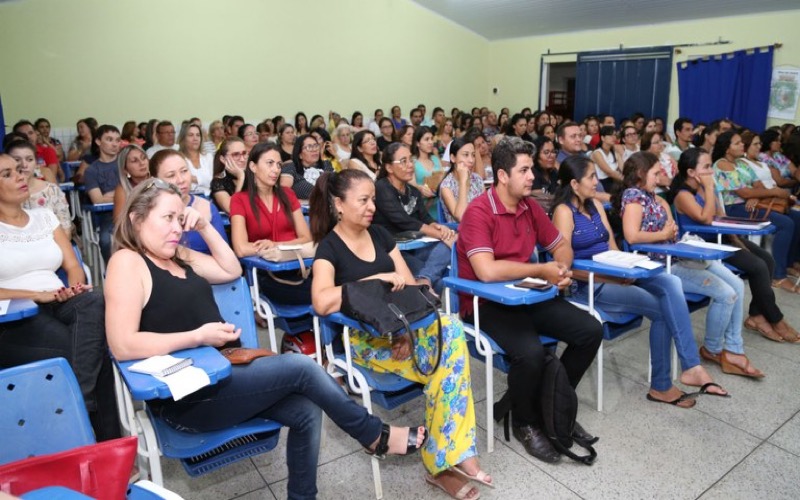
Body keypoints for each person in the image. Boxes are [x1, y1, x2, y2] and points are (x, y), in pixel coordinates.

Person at [104, 177, 426, 500]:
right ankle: (374, 435)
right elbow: (123, 344)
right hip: (188, 394)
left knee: (305, 409)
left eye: (180, 217)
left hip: (224, 376)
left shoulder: (178, 255)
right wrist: (198, 336)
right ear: (136, 219)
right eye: (168, 218)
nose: (177, 227)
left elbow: (231, 269)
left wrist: (203, 225)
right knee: (302, 367)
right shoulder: (127, 262)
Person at [309, 169, 488, 500]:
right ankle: (447, 460)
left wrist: (404, 333)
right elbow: (321, 301)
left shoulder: (379, 234)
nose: (371, 207)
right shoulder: (329, 248)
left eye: (373, 199)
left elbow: (407, 287)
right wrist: (374, 280)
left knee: (448, 331)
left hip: (400, 331)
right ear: (339, 204)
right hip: (360, 342)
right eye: (363, 200)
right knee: (444, 363)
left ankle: (448, 458)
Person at [457, 137, 602, 463]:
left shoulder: (529, 207)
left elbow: (560, 245)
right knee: (531, 353)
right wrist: (541, 267)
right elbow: (486, 271)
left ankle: (552, 401)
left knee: (590, 331)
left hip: (526, 295)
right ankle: (524, 420)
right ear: (502, 175)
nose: (532, 176)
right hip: (485, 304)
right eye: (523, 170)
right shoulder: (479, 212)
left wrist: (561, 266)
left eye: (531, 168)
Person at [553, 154, 728, 408]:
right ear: (574, 184)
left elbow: (612, 248)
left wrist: (626, 269)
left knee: (669, 283)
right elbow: (565, 265)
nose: (596, 182)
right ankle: (661, 385)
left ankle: (691, 366)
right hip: (591, 285)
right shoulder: (564, 212)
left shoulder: (596, 206)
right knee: (661, 310)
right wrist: (613, 277)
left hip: (615, 275)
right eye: (591, 177)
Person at [0, 153, 119, 441]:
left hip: (59, 301)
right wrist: (35, 295)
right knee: (89, 350)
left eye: (19, 170)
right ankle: (106, 442)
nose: (20, 175)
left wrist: (74, 287)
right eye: (7, 174)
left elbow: (74, 267)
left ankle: (77, 407)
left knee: (93, 300)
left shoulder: (45, 218)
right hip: (15, 316)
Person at [618, 151, 759, 383]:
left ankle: (734, 348)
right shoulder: (634, 197)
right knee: (727, 294)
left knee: (735, 285)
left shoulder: (652, 196)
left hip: (675, 255)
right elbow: (632, 236)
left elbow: (669, 224)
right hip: (661, 264)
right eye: (656, 173)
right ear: (641, 175)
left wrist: (667, 231)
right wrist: (664, 233)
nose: (661, 176)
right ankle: (714, 348)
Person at [671, 148, 800, 343]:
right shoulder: (683, 195)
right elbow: (706, 219)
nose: (711, 172)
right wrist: (707, 188)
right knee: (757, 266)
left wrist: (736, 238)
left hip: (721, 237)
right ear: (691, 172)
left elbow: (720, 216)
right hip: (703, 245)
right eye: (706, 167)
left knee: (767, 260)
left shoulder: (707, 187)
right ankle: (776, 318)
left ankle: (756, 315)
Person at [712, 131, 800, 292]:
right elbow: (743, 193)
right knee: (785, 224)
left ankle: (789, 263)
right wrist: (774, 192)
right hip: (734, 208)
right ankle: (778, 277)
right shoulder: (722, 164)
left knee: (796, 217)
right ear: (726, 148)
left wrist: (756, 197)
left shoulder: (742, 163)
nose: (742, 145)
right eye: (737, 143)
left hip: (750, 205)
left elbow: (757, 186)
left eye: (741, 143)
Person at [231, 143, 313, 304]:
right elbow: (240, 248)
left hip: (301, 266)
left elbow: (306, 238)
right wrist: (274, 248)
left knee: (336, 286)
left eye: (278, 165)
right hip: (269, 275)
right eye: (269, 163)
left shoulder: (288, 194)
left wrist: (275, 244)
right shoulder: (239, 200)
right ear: (253, 166)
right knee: (325, 296)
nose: (276, 170)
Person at [373, 143, 455, 295]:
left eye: (411, 160)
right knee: (440, 280)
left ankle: (424, 279)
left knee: (450, 244)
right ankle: (427, 282)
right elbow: (402, 219)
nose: (410, 165)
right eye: (403, 161)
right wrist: (436, 233)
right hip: (392, 251)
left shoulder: (413, 191)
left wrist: (438, 227)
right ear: (389, 168)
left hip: (416, 246)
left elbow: (424, 216)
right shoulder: (381, 188)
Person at [150, 149, 227, 254]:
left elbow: (226, 255)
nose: (181, 180)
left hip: (209, 269)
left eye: (184, 171)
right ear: (155, 180)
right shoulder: (149, 212)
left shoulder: (207, 207)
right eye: (171, 175)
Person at [6, 140, 72, 238]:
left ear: (36, 163)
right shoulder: (4, 194)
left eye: (29, 159)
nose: (24, 165)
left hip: (51, 247)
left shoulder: (52, 191)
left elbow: (66, 232)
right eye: (17, 159)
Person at [84, 125, 122, 262]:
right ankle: (113, 273)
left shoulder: (126, 163)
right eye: (109, 139)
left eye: (117, 140)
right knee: (106, 241)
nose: (114, 144)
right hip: (108, 217)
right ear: (98, 141)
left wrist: (109, 195)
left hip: (133, 210)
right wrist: (122, 193)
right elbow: (98, 199)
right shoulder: (91, 171)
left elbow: (137, 190)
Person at [439, 137, 482, 223]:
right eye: (466, 155)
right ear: (453, 158)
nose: (471, 160)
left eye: (473, 155)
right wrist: (463, 182)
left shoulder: (477, 179)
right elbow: (461, 217)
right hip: (459, 232)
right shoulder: (446, 186)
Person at [280, 134, 335, 200]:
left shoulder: (326, 165)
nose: (314, 150)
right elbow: (282, 193)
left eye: (316, 146)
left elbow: (337, 187)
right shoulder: (291, 168)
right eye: (309, 147)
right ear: (300, 154)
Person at [410, 126, 443, 220]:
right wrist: (420, 188)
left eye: (431, 139)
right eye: (426, 139)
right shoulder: (412, 161)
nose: (430, 142)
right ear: (417, 143)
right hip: (422, 205)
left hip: (438, 204)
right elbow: (412, 183)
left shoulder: (435, 159)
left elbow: (442, 177)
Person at [112, 144, 150, 221]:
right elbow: (119, 222)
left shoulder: (158, 181)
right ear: (125, 170)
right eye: (134, 161)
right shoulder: (122, 190)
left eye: (143, 158)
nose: (142, 163)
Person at [210, 138, 247, 213]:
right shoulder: (218, 183)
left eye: (244, 153)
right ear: (223, 159)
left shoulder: (254, 176)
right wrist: (241, 178)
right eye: (236, 155)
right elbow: (232, 210)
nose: (242, 159)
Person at [179, 123, 214, 196]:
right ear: (183, 139)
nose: (195, 138)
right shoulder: (179, 159)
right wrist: (204, 180)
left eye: (198, 135)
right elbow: (182, 183)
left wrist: (194, 179)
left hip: (210, 197)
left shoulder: (208, 157)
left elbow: (213, 182)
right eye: (191, 135)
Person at [591, 125, 623, 192]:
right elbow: (609, 172)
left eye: (615, 135)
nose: (614, 138)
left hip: (614, 182)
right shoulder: (597, 153)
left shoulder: (615, 153)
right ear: (602, 138)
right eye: (610, 135)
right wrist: (627, 181)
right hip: (601, 184)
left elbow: (623, 169)